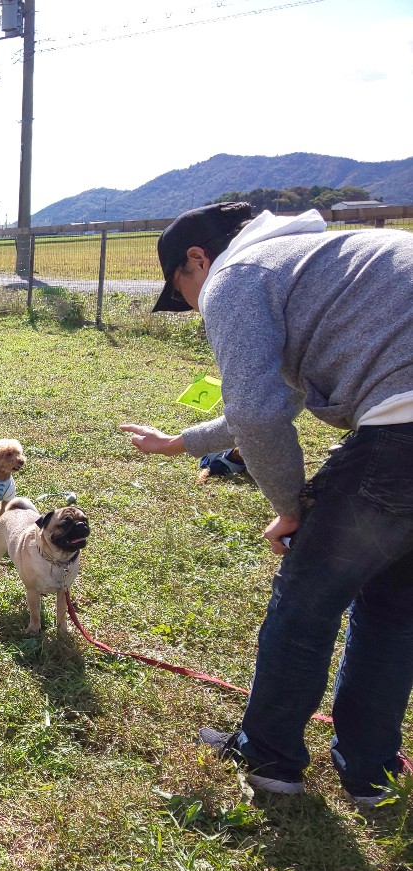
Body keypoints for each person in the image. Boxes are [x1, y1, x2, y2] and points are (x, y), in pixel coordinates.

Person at [119, 201, 413, 806]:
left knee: (305, 600)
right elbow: (279, 396)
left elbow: (257, 411)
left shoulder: (237, 276)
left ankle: (269, 755)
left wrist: (292, 507)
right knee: (393, 607)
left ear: (197, 260)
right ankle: (370, 771)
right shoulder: (319, 259)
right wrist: (181, 442)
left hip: (399, 434)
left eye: (183, 292)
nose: (194, 308)